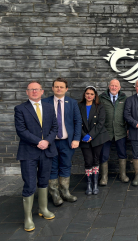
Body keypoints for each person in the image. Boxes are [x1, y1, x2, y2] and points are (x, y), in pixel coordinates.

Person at [14, 81, 57, 232]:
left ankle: (43, 209)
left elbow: (54, 127)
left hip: (47, 150)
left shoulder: (49, 107)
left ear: (42, 91)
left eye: (37, 89)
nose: (34, 92)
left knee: (44, 181)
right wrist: (39, 141)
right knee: (30, 183)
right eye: (31, 90)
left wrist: (47, 141)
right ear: (27, 92)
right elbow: (21, 130)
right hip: (28, 152)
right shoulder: (20, 109)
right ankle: (28, 217)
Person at [42, 77, 81, 206]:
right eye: (56, 86)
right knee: (52, 167)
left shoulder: (72, 103)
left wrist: (76, 139)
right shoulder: (44, 102)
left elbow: (77, 122)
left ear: (66, 89)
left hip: (67, 142)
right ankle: (55, 194)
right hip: (50, 142)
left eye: (61, 87)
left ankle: (65, 192)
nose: (59, 89)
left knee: (66, 166)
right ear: (53, 88)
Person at [78, 86, 110, 195]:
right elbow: (76, 122)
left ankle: (95, 184)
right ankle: (88, 184)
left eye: (92, 94)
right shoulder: (79, 106)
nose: (89, 96)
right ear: (84, 94)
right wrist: (84, 135)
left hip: (97, 137)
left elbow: (101, 123)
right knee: (88, 161)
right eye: (87, 93)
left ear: (95, 95)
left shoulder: (99, 107)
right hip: (84, 138)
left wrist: (91, 135)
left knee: (96, 160)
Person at [99, 79, 128, 185]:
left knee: (122, 154)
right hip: (105, 132)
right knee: (104, 155)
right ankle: (104, 177)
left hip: (120, 131)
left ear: (119, 87)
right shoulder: (101, 98)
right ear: (109, 86)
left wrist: (128, 128)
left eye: (116, 86)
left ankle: (123, 175)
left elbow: (127, 114)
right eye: (112, 85)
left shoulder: (124, 98)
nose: (114, 87)